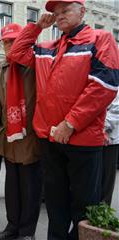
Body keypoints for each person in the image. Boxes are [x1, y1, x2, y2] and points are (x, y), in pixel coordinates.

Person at [8, 1, 119, 239]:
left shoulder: (101, 39)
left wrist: (70, 124)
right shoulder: (48, 47)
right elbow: (15, 53)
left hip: (82, 140)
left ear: (82, 11)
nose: (59, 16)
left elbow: (104, 86)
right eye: (56, 13)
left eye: (65, 11)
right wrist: (37, 26)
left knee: (84, 208)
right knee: (56, 206)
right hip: (50, 138)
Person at [0, 23, 42, 240]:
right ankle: (12, 226)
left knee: (30, 188)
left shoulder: (35, 63)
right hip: (8, 137)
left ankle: (27, 232)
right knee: (12, 187)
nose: (9, 46)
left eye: (14, 41)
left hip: (32, 136)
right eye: (6, 42)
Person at [102, 92, 119, 205]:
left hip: (109, 139)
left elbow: (116, 111)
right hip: (89, 136)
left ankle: (102, 213)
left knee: (105, 182)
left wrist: (99, 127)